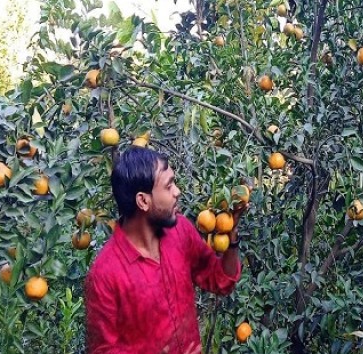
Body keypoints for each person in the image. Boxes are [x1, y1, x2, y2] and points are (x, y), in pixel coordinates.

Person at [85, 146, 246, 354]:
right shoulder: (104, 276)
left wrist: (231, 237)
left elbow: (221, 280)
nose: (177, 192)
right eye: (169, 186)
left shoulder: (181, 231)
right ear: (143, 201)